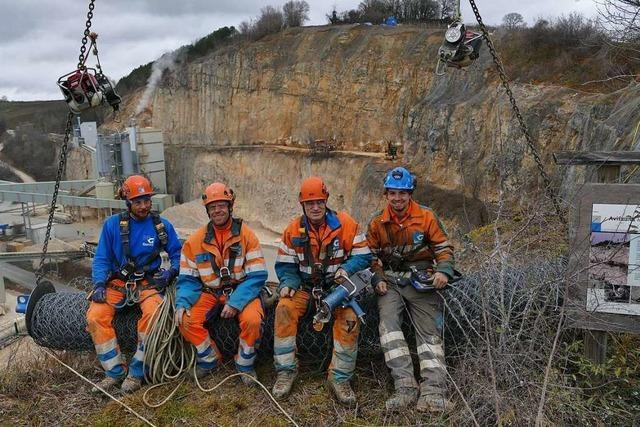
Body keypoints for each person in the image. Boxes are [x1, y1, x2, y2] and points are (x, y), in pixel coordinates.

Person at [272, 176, 372, 404]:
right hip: (305, 288)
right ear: (303, 205)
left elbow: (364, 254)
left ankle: (340, 378)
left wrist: (346, 269)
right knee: (284, 309)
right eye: (310, 204)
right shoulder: (293, 230)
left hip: (337, 289)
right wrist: (288, 283)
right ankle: (286, 371)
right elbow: (285, 264)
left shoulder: (346, 224)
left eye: (319, 202)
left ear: (326, 200)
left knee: (350, 318)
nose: (315, 207)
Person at [366, 167, 456, 412]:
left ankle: (433, 392)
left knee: (429, 332)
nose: (397, 198)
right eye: (393, 193)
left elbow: (443, 248)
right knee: (389, 327)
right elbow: (370, 257)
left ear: (410, 194)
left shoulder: (426, 217)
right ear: (386, 194)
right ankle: (405, 387)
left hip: (422, 280)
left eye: (403, 193)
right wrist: (377, 278)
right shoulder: (377, 222)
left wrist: (443, 271)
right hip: (392, 283)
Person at [87, 175, 181, 393]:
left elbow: (177, 254)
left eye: (147, 200)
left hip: (148, 282)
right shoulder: (112, 226)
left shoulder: (161, 226)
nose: (144, 206)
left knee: (154, 314)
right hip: (118, 282)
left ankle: (137, 372)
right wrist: (100, 283)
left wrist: (171, 272)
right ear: (127, 202)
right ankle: (114, 372)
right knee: (95, 317)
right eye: (138, 201)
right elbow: (101, 258)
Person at [174, 183, 267, 384]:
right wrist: (182, 303)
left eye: (221, 206)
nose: (217, 210)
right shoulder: (195, 241)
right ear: (207, 210)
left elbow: (258, 275)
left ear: (230, 206)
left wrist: (236, 302)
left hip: (242, 288)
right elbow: (188, 279)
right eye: (213, 207)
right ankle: (210, 360)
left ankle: (244, 365)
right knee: (185, 321)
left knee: (253, 321)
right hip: (211, 292)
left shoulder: (247, 235)